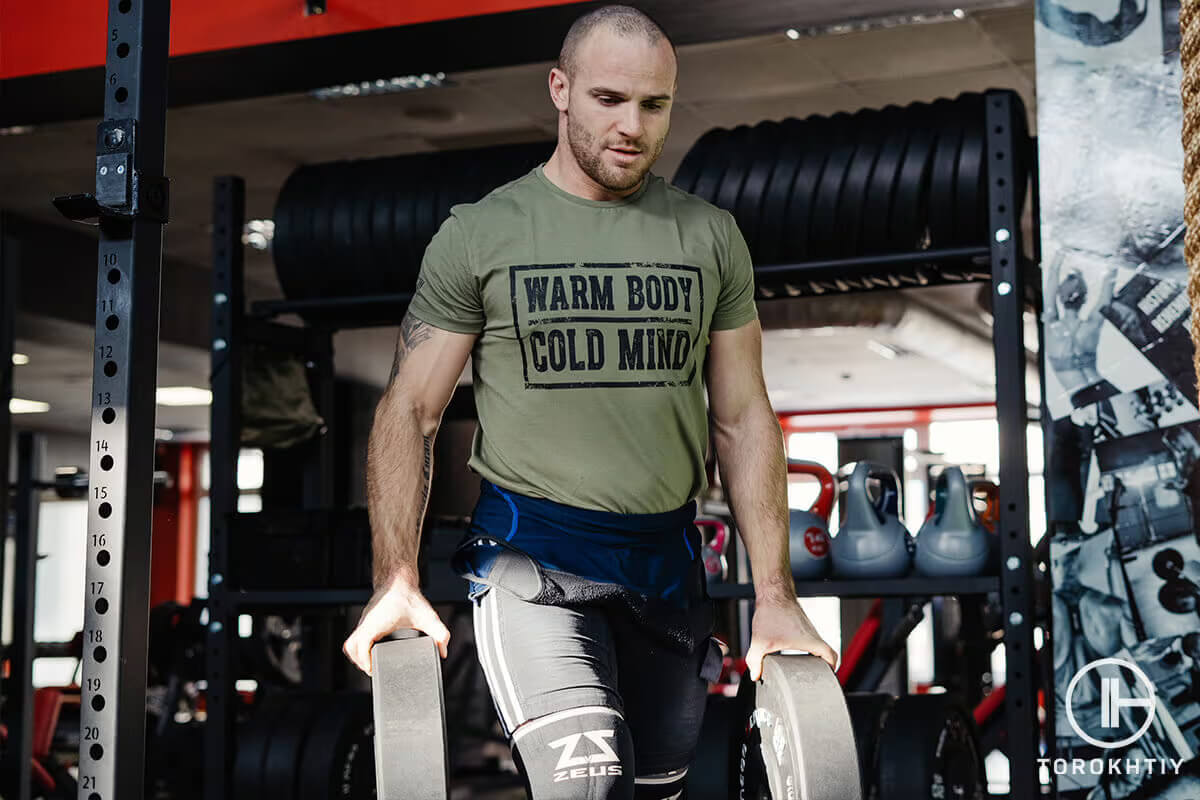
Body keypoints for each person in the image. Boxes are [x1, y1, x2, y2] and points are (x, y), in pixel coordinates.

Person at [343, 6, 836, 798]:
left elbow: (743, 419)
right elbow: (410, 411)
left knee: (656, 790)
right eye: (609, 99)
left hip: (666, 569)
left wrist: (775, 597)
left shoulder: (711, 237)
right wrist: (394, 574)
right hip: (531, 558)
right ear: (560, 90)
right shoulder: (481, 234)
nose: (633, 126)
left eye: (655, 105)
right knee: (588, 786)